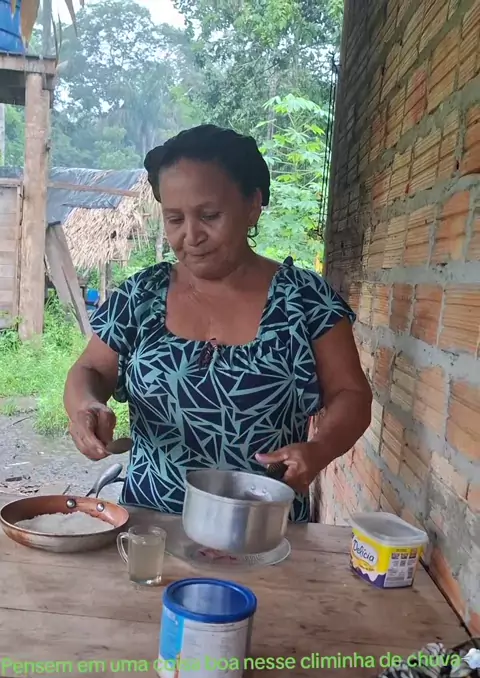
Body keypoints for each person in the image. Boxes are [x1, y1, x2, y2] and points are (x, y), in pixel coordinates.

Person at [64, 124, 372, 523]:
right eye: (174, 219)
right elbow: (90, 369)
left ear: (252, 206)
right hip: (149, 528)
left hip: (262, 529)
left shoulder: (305, 301)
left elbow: (351, 394)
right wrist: (86, 406)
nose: (191, 235)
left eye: (209, 215)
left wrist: (320, 449)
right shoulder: (141, 296)